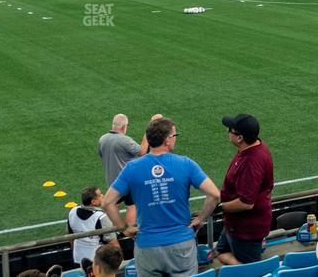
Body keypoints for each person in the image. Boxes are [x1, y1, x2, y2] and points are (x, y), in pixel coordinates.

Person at [102, 117, 221, 277]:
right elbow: (214, 195)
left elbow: (107, 202)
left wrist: (124, 229)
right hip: (181, 245)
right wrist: (201, 218)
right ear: (167, 140)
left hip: (147, 247)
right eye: (174, 136)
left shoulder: (132, 168)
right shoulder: (186, 164)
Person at [215, 114, 274, 265]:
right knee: (221, 252)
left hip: (245, 229)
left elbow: (246, 203)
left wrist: (221, 207)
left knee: (250, 269)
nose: (228, 132)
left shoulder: (251, 163)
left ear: (240, 137)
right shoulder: (255, 147)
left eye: (230, 130)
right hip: (235, 225)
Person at [98, 114, 151, 226]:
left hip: (111, 181)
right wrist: (147, 132)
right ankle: (128, 233)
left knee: (113, 205)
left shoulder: (102, 139)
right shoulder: (124, 140)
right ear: (123, 127)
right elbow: (142, 151)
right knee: (131, 205)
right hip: (127, 181)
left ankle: (113, 231)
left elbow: (102, 155)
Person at [67, 186, 116, 267]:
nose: (103, 196)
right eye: (100, 195)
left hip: (77, 259)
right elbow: (113, 244)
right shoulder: (101, 217)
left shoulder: (72, 211)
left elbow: (70, 237)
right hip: (97, 262)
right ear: (93, 202)